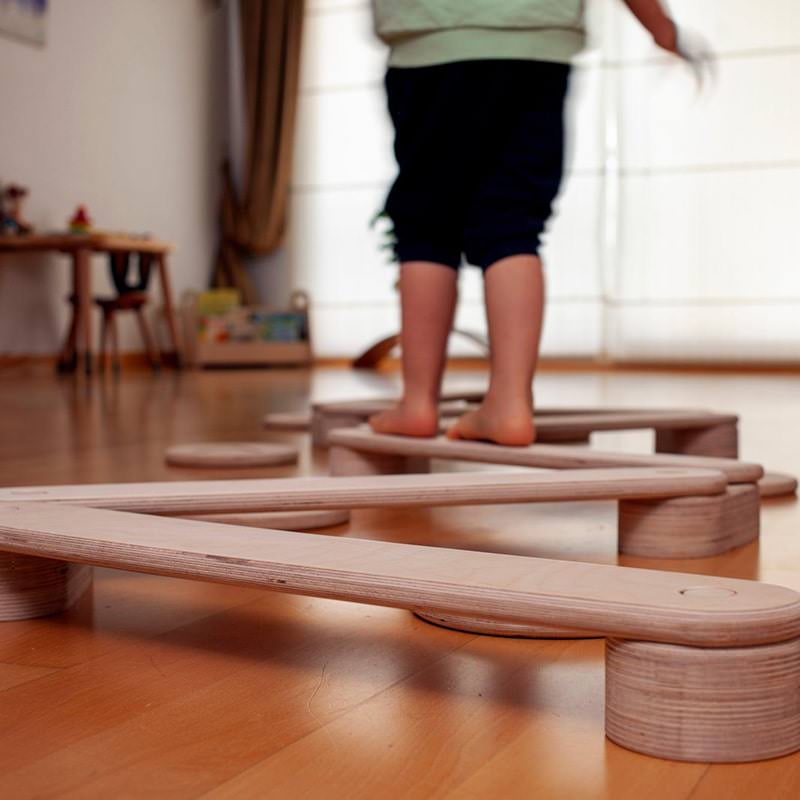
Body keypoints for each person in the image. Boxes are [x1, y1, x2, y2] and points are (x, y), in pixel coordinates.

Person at [368, 0, 710, 446]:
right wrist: (660, 26)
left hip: (431, 41)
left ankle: (417, 403)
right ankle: (510, 402)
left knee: (427, 224)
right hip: (535, 43)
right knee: (512, 221)